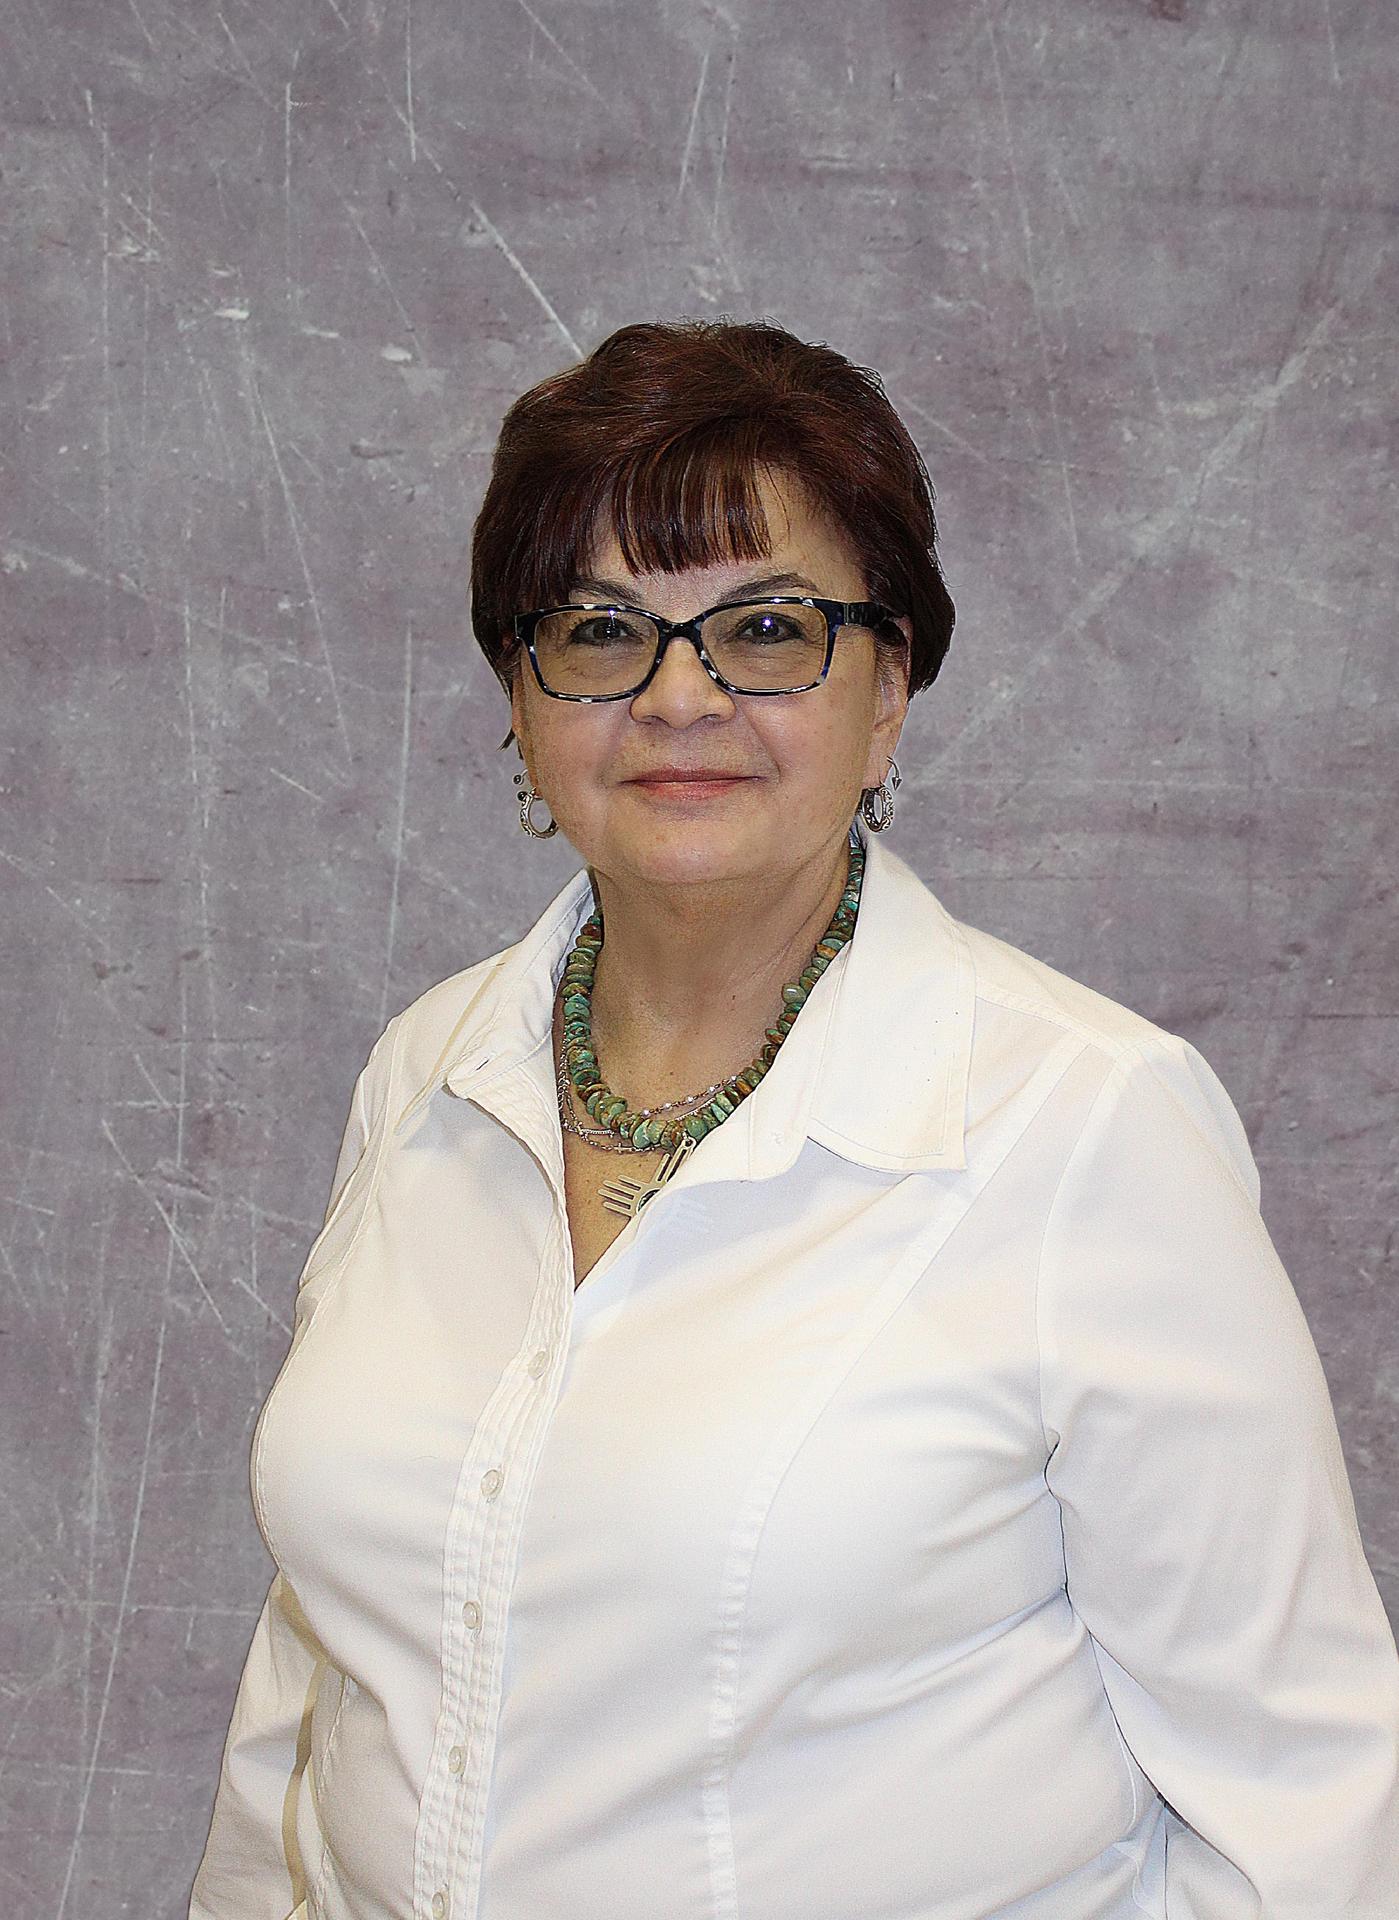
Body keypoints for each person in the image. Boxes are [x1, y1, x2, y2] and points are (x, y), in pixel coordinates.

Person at [187, 319, 1399, 1920]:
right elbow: (330, 1662)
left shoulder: (1084, 1126)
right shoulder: (428, 1073)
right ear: (520, 701)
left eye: (767, 628)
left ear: (888, 691)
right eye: (602, 629)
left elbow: (1308, 1803)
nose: (681, 696)